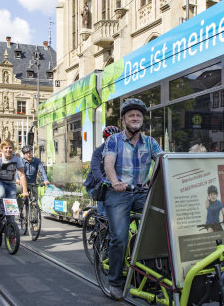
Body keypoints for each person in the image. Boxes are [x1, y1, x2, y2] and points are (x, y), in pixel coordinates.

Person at [103, 98, 163, 300]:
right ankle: (115, 281)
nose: (135, 118)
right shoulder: (114, 141)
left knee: (161, 225)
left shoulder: (151, 142)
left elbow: (164, 161)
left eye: (138, 115)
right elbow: (109, 163)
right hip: (119, 192)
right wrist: (115, 182)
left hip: (142, 192)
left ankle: (153, 274)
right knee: (119, 236)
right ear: (124, 120)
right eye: (131, 115)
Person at [0, 140, 28, 224]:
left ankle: (11, 231)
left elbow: (22, 175)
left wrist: (25, 191)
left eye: (10, 148)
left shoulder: (17, 159)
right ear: (2, 149)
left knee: (11, 206)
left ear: (13, 149)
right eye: (6, 148)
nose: (8, 150)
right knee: (1, 194)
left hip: (10, 183)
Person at [84, 126, 121, 216]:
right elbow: (95, 168)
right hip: (94, 186)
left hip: (112, 185)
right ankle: (102, 222)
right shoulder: (98, 151)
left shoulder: (121, 151)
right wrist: (103, 181)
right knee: (104, 194)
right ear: (104, 139)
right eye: (109, 139)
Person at [17, 145, 50, 213]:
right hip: (23, 183)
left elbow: (42, 170)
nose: (29, 155)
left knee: (34, 201)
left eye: (30, 152)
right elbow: (18, 172)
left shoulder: (37, 161)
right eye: (27, 153)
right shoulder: (21, 161)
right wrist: (17, 179)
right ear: (24, 154)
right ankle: (20, 209)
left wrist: (45, 180)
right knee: (19, 194)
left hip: (33, 183)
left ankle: (34, 219)